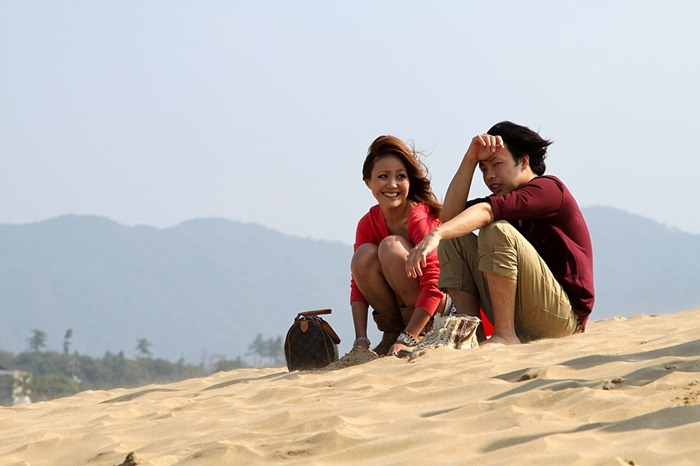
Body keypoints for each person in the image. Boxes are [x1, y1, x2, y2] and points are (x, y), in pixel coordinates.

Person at [406, 121, 594, 347]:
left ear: (524, 161)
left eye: (497, 164)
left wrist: (435, 234)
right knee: (454, 236)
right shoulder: (505, 200)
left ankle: (505, 335)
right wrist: (469, 159)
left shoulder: (549, 189)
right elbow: (451, 217)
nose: (490, 176)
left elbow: (486, 212)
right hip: (523, 311)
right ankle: (470, 335)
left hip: (563, 320)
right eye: (484, 169)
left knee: (496, 229)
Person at [351, 135, 449, 356]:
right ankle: (391, 334)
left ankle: (415, 333)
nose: (392, 185)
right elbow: (358, 282)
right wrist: (361, 338)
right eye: (383, 176)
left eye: (400, 176)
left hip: (442, 306)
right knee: (363, 255)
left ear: (409, 182)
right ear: (368, 182)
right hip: (403, 312)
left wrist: (409, 336)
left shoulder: (419, 217)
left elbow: (435, 282)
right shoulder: (368, 222)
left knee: (390, 246)